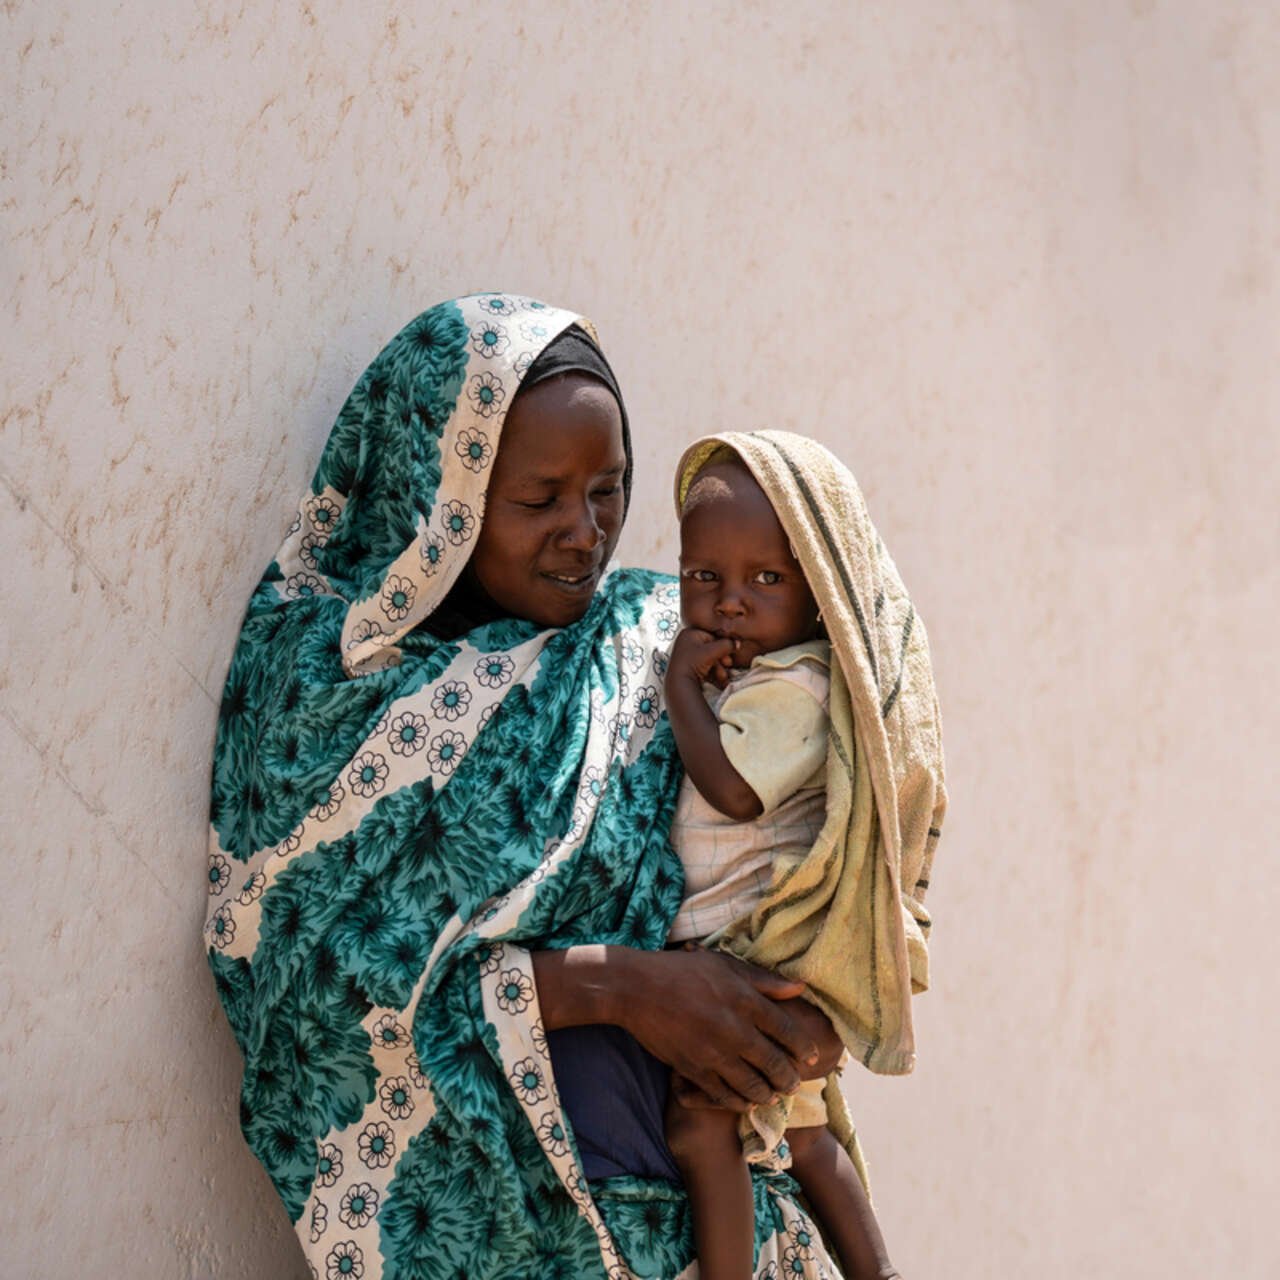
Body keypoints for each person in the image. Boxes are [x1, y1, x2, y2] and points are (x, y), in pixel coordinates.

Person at [205, 295, 883, 1279]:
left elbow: (806, 823)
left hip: (726, 1219)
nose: (585, 530)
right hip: (518, 1232)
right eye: (539, 500)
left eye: (607, 490)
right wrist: (621, 985)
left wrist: (809, 1003)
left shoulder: (663, 642)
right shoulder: (336, 712)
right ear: (439, 497)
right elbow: (312, 990)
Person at [660, 445, 910, 1280]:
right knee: (804, 1134)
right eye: (704, 578)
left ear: (818, 591)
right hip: (753, 950)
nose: (730, 603)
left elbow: (731, 791)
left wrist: (679, 691)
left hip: (752, 951)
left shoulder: (794, 687)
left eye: (766, 580)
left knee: (704, 1123)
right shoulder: (766, 670)